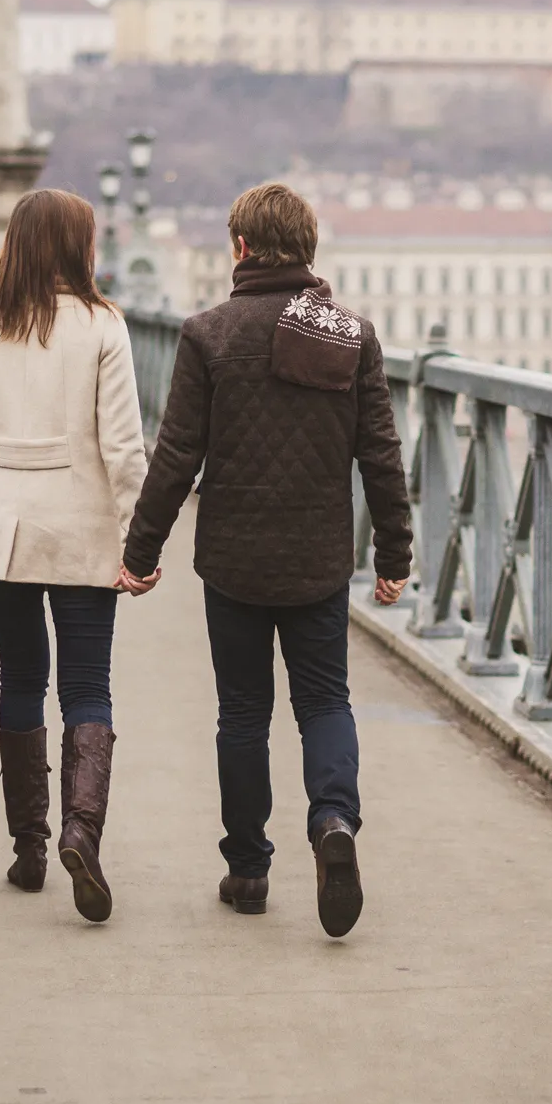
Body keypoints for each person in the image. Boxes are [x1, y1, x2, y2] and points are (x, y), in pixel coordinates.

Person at [117, 182, 411, 938]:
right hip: (317, 556)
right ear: (308, 249)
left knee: (243, 713)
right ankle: (333, 819)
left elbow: (177, 454)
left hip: (234, 559)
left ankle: (247, 868)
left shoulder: (207, 333)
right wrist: (393, 552)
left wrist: (140, 552)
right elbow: (379, 455)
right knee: (323, 702)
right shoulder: (350, 332)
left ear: (240, 247)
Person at [0, 188, 148, 924]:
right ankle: (82, 832)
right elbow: (122, 447)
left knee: (20, 675)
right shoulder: (102, 323)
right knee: (87, 684)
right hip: (82, 527)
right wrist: (138, 539)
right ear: (78, 245)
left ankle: (28, 848)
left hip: (3, 530)